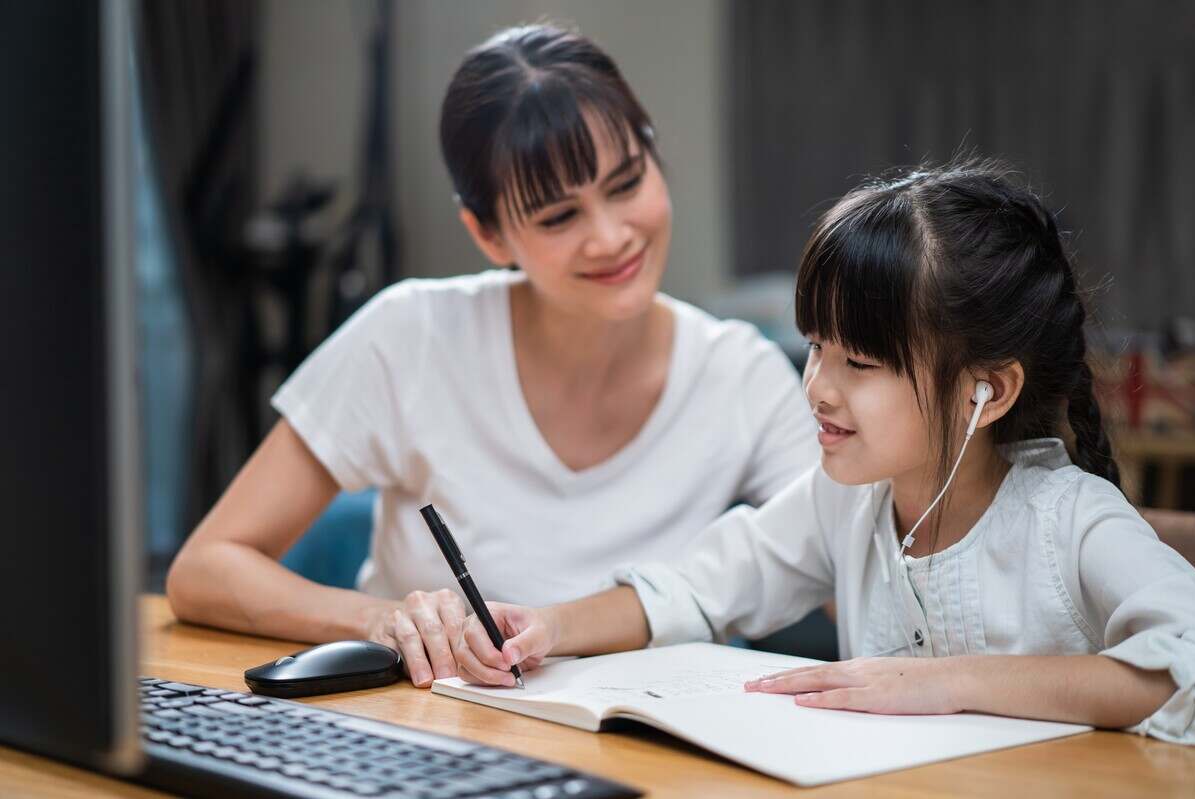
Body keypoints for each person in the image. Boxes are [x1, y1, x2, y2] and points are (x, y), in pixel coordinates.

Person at [453, 161, 1195, 744]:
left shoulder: (1070, 518)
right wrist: (547, 628)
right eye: (815, 348)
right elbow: (697, 587)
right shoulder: (843, 499)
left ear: (986, 390)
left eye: (859, 364)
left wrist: (951, 682)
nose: (817, 387)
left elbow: (1184, 667)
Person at [164, 24, 811, 687]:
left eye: (625, 184)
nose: (612, 236)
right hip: (430, 742)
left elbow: (851, 558)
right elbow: (206, 566)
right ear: (488, 233)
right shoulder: (409, 335)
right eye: (559, 217)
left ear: (653, 154)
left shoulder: (743, 376)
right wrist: (379, 620)